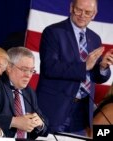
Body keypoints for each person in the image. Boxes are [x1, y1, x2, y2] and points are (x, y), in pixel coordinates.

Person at [36, 0, 113, 136]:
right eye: (79, 10)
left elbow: (96, 76)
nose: (82, 15)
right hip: (56, 109)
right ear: (71, 8)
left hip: (81, 111)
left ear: (94, 14)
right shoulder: (53, 32)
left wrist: (102, 67)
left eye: (88, 12)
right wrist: (84, 66)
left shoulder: (95, 39)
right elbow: (50, 67)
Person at [0, 47, 48, 139]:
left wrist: (40, 124)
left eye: (31, 70)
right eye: (24, 69)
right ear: (9, 67)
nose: (28, 75)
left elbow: (45, 124)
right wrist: (14, 122)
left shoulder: (29, 92)